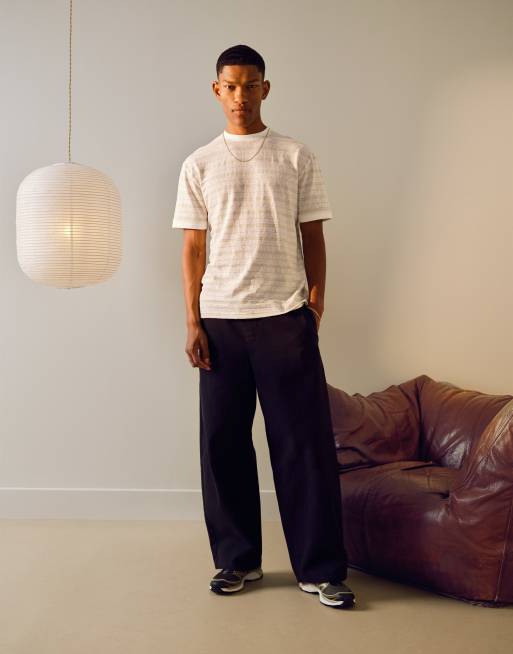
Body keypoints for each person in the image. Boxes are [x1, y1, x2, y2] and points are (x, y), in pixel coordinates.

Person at [172, 44, 355, 610]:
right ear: (216, 90)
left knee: (303, 446)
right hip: (221, 321)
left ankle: (321, 570)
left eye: (250, 86)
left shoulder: (296, 156)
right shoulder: (199, 163)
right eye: (230, 86)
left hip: (284, 318)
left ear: (265, 89)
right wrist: (193, 321)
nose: (240, 96)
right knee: (222, 444)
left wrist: (315, 307)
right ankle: (236, 560)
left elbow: (313, 236)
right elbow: (193, 249)